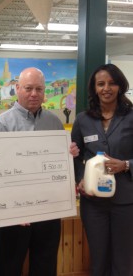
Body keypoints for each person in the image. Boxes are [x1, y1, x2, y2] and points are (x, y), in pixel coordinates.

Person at [0, 67, 79, 276]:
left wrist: (68, 155)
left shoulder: (55, 123)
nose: (34, 94)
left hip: (48, 212)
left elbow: (61, 165)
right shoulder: (1, 124)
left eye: (39, 89)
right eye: (28, 88)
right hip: (13, 214)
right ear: (17, 88)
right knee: (9, 267)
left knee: (45, 265)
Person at [71, 63, 133, 276]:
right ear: (94, 88)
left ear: (120, 86)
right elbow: (75, 156)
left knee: (124, 262)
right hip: (93, 203)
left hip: (126, 203)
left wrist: (126, 165)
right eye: (101, 84)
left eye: (112, 83)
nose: (106, 88)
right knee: (98, 260)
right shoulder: (83, 120)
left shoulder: (131, 117)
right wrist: (80, 179)